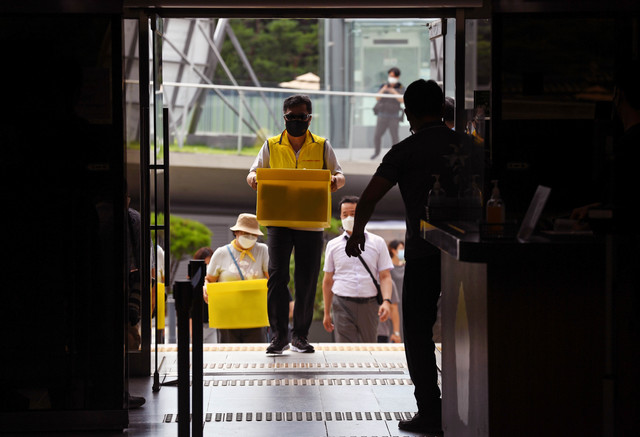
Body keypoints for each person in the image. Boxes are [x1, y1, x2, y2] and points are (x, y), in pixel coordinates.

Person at [345, 79, 476, 435]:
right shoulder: (471, 144)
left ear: (408, 113)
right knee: (477, 327)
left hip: (423, 252)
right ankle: (481, 403)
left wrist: (357, 234)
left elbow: (370, 197)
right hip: (474, 254)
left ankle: (430, 412)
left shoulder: (404, 150)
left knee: (418, 331)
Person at [247, 94, 345, 354]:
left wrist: (337, 181)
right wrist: (253, 178)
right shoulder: (271, 144)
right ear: (284, 117)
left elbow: (339, 173)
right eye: (291, 117)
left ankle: (299, 336)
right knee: (277, 277)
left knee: (306, 279)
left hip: (311, 222)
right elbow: (253, 171)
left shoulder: (322, 145)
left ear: (309, 118)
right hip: (278, 221)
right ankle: (278, 336)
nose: (296, 122)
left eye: (301, 117)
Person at [322, 196, 394, 343]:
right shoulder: (333, 245)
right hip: (342, 303)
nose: (349, 218)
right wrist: (326, 312)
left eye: (353, 214)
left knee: (370, 348)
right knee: (345, 349)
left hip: (369, 305)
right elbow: (328, 280)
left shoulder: (377, 243)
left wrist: (386, 301)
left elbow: (385, 276)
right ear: (340, 216)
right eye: (345, 214)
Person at [204, 214, 269, 343]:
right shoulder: (221, 253)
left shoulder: (263, 250)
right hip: (227, 317)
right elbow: (209, 280)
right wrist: (205, 288)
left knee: (255, 356)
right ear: (237, 232)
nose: (250, 237)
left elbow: (271, 279)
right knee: (229, 355)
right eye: (246, 233)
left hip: (254, 316)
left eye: (253, 234)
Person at [372, 67, 404, 160]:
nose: (391, 78)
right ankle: (376, 153)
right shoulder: (384, 85)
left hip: (394, 116)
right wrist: (384, 89)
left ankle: (396, 155)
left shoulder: (400, 87)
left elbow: (402, 100)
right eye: (390, 76)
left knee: (394, 137)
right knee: (377, 135)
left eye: (393, 76)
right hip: (382, 115)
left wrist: (393, 91)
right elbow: (377, 98)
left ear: (397, 77)